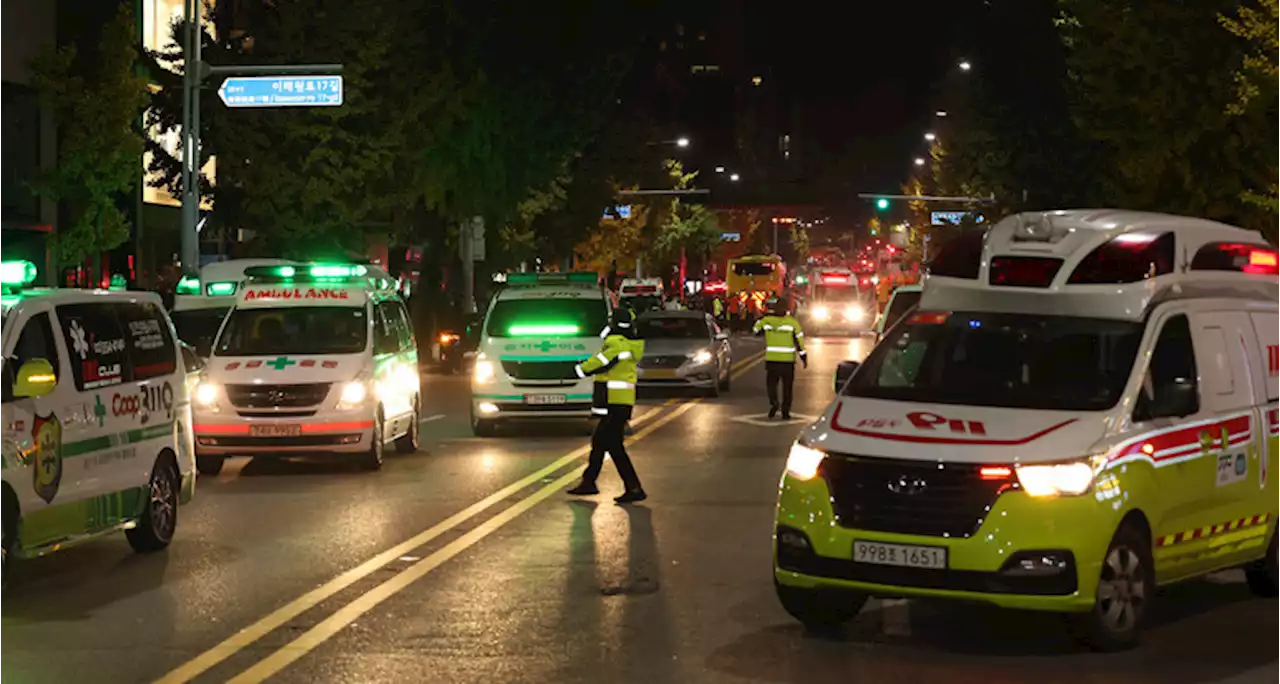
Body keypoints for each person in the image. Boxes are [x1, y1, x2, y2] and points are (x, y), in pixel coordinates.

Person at [568, 308, 647, 503]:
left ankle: (633, 488)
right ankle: (589, 482)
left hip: (614, 401)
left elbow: (601, 362)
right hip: (620, 401)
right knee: (601, 442)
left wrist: (578, 369)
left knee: (612, 445)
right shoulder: (629, 344)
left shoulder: (616, 343)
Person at [753, 298, 807, 419]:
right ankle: (785, 411)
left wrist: (762, 318)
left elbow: (755, 330)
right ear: (787, 309)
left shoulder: (767, 321)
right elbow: (799, 341)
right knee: (787, 387)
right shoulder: (792, 323)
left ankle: (774, 402)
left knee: (771, 384)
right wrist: (803, 356)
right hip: (788, 361)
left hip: (772, 360)